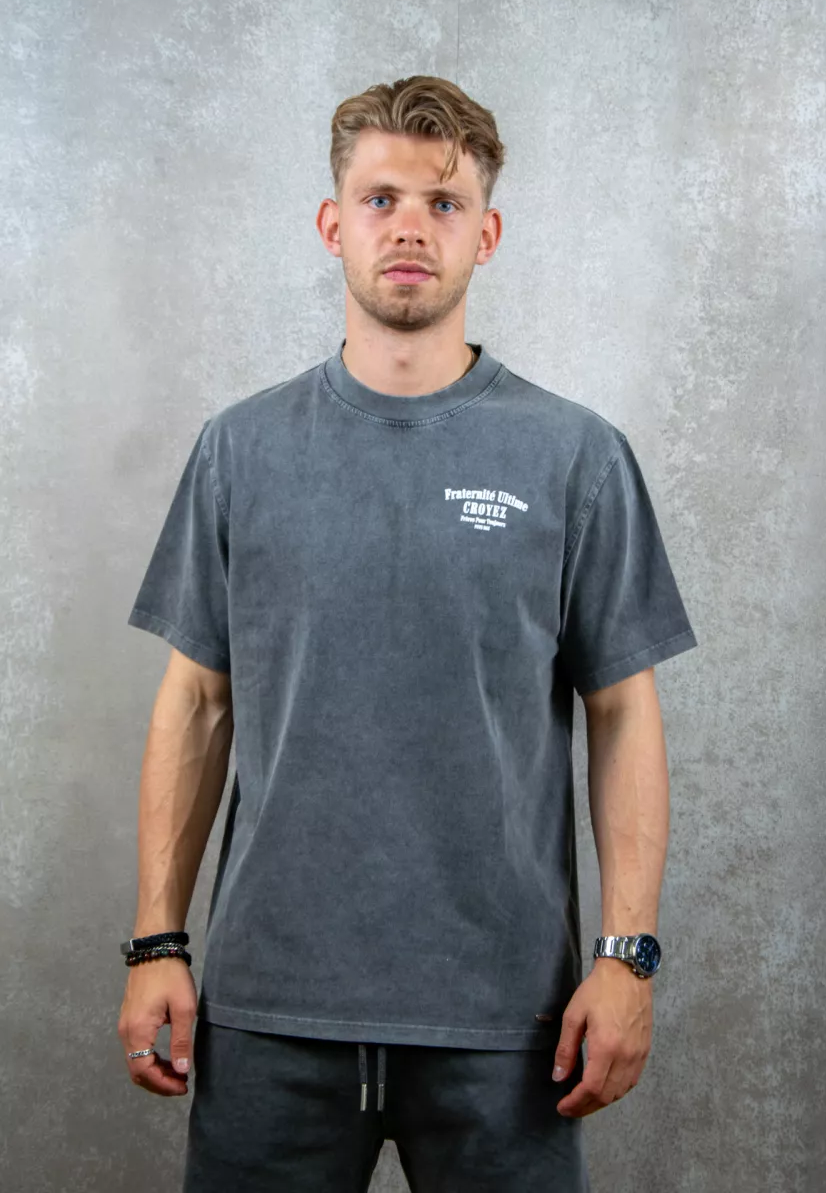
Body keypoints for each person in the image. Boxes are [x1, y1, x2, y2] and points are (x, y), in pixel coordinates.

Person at [117, 74, 698, 1192]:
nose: (409, 228)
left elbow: (623, 713)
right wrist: (156, 941)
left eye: (442, 203)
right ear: (332, 223)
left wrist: (626, 957)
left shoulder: (573, 457)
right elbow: (195, 703)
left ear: (486, 233)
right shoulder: (239, 450)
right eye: (380, 198)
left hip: (508, 1021)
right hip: (269, 1011)